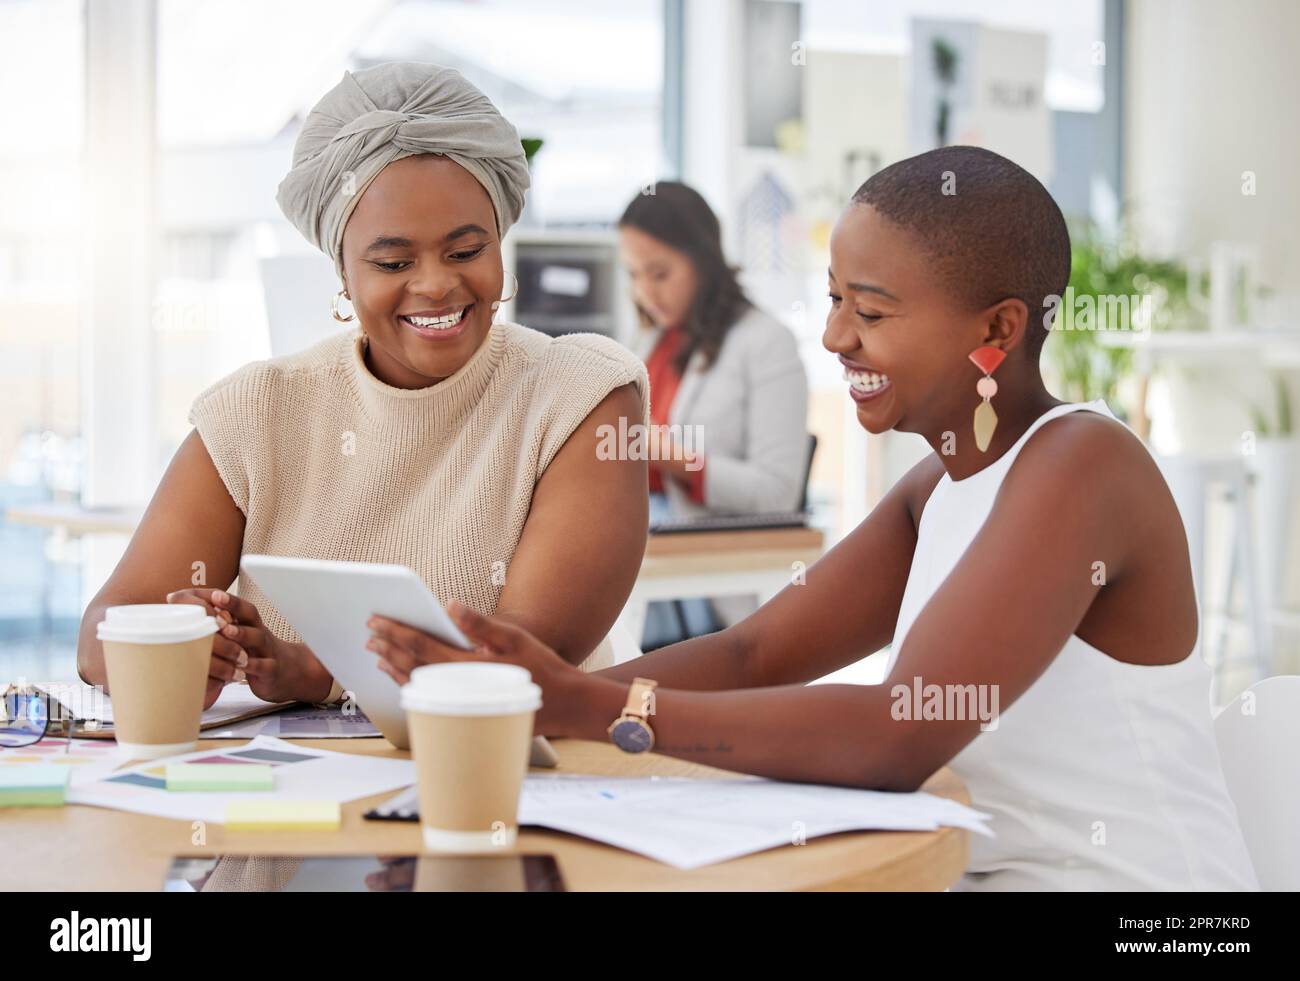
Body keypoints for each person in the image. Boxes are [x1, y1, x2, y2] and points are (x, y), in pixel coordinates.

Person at [368, 146, 1259, 891]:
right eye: (834, 299)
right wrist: (521, 697)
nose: (836, 338)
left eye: (869, 311)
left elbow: (899, 732)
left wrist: (592, 705)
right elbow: (755, 653)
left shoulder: (1083, 465)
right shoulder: (935, 489)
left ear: (997, 330)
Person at [76, 62, 649, 709]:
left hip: (505, 787)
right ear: (342, 272)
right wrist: (178, 639)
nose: (435, 283)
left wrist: (319, 672)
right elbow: (100, 636)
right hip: (293, 800)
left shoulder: (583, 398)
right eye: (393, 262)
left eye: (465, 251)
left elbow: (520, 659)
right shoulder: (259, 411)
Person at [618, 181, 809, 647]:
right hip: (643, 566)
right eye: (634, 274)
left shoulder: (766, 343)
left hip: (712, 592)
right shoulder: (652, 342)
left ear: (702, 261)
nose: (645, 292)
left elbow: (778, 493)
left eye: (659, 273)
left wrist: (678, 460)